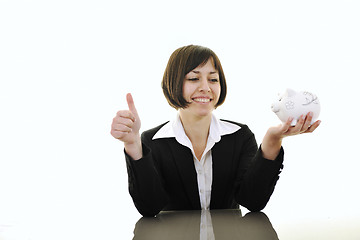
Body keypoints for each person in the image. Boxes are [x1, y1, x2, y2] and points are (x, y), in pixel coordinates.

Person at [110, 45, 321, 217]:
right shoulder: (151, 140)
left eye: (213, 79)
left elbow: (253, 202)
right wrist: (133, 145)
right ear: (174, 83)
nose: (206, 87)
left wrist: (273, 140)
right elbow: (149, 208)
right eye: (194, 78)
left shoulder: (240, 136)